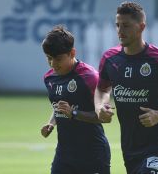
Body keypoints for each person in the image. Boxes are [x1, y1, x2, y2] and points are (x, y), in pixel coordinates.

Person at [94, 1, 158, 174]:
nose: (120, 31)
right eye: (117, 25)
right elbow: (102, 89)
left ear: (141, 27)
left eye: (125, 25)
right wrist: (100, 106)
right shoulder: (110, 59)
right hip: (130, 144)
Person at [41, 25, 110, 174]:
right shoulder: (49, 78)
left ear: (72, 53)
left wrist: (74, 113)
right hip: (64, 155)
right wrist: (51, 123)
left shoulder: (90, 77)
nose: (53, 64)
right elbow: (58, 107)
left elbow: (104, 118)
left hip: (93, 154)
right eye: (49, 58)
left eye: (58, 59)